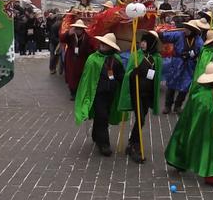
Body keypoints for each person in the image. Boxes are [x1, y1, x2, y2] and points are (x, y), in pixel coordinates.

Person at [164, 62, 213, 187]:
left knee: (186, 137)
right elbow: (207, 112)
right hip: (201, 125)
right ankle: (212, 175)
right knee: (206, 144)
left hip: (192, 121)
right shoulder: (204, 96)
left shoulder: (207, 89)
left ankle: (178, 160)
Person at [73, 33, 126, 156]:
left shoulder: (116, 60)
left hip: (111, 95)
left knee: (103, 117)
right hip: (97, 94)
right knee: (102, 116)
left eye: (106, 44)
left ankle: (96, 135)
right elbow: (87, 78)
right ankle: (104, 144)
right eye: (102, 43)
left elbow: (121, 77)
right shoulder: (93, 59)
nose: (102, 45)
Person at [118, 30, 162, 163]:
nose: (142, 44)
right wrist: (134, 72)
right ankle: (134, 146)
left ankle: (132, 143)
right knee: (141, 119)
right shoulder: (136, 56)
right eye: (141, 41)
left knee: (141, 119)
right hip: (136, 92)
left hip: (147, 94)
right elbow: (128, 75)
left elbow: (156, 77)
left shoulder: (157, 59)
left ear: (151, 44)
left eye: (145, 42)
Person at [160, 20, 203, 114]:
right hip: (177, 62)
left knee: (185, 86)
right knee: (171, 84)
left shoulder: (198, 39)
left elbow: (200, 49)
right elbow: (167, 36)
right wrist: (159, 34)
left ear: (193, 30)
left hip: (189, 65)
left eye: (188, 29)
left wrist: (193, 54)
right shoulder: (179, 34)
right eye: (186, 28)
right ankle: (167, 106)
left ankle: (178, 106)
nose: (185, 30)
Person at [61, 19, 94, 100]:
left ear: (83, 29)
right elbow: (62, 39)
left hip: (81, 60)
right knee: (71, 76)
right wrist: (68, 33)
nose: (78, 30)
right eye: (77, 28)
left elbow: (90, 49)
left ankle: (79, 92)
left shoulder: (86, 37)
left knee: (80, 76)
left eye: (80, 28)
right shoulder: (71, 35)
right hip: (71, 59)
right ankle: (72, 93)